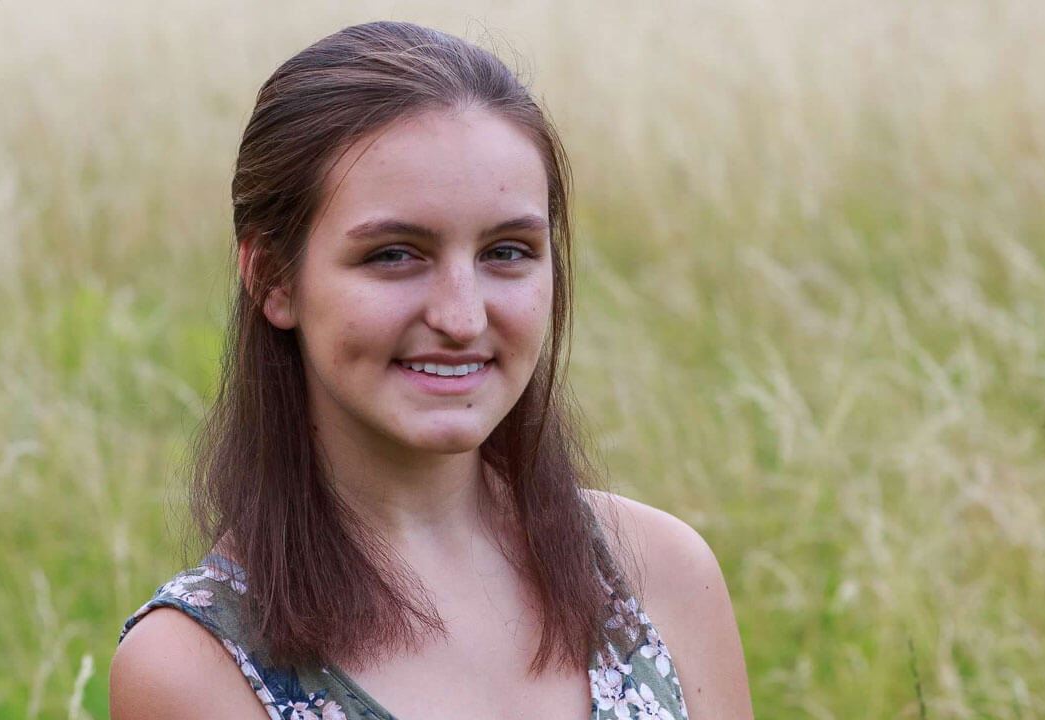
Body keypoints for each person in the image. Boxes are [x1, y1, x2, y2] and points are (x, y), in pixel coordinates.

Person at [109, 20, 752, 720]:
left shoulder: (660, 574)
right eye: (394, 255)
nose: (462, 318)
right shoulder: (193, 670)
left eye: (507, 251)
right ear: (273, 277)